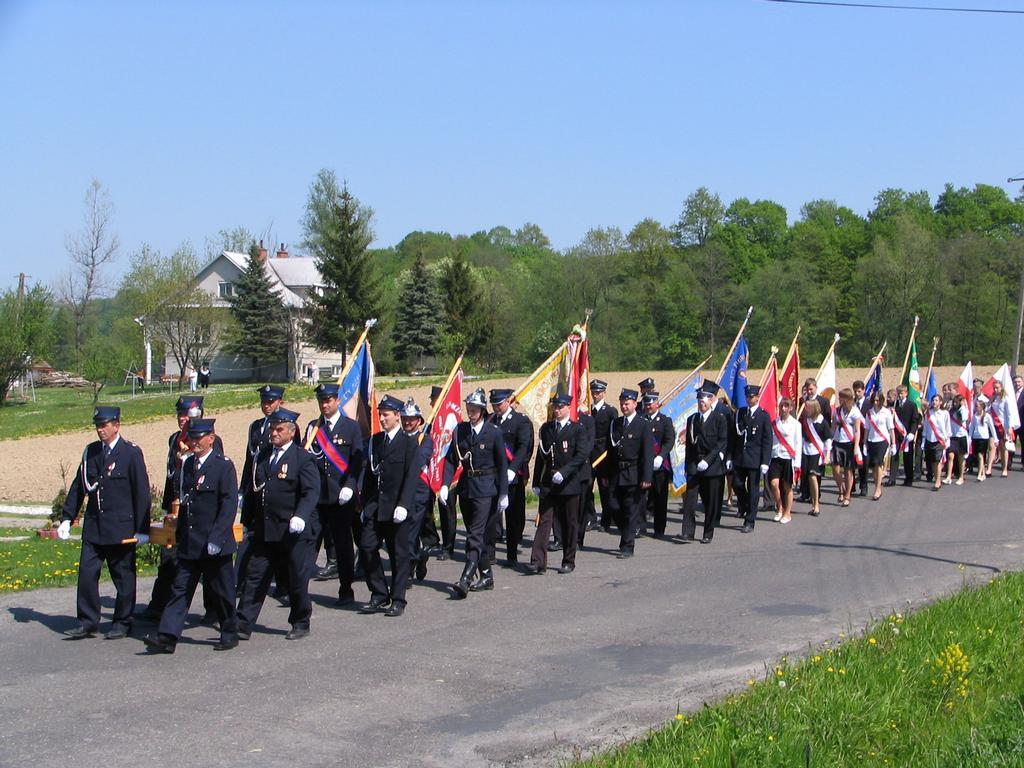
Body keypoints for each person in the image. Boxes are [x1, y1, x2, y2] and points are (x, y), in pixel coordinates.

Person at [143, 419, 239, 653]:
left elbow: (228, 505)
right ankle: (167, 636)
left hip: (214, 543)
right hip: (190, 541)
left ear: (211, 439)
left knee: (222, 591)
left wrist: (217, 538)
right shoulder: (187, 466)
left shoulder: (223, 466)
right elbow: (186, 503)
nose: (194, 442)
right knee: (180, 589)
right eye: (191, 438)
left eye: (198, 438)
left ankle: (229, 632)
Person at [58, 406, 151, 639]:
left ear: (116, 425)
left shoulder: (130, 453)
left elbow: (141, 492)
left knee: (123, 577)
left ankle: (123, 621)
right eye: (98, 426)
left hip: (121, 527)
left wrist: (142, 529)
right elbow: (79, 486)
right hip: (94, 526)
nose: (100, 430)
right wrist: (67, 517)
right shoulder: (91, 452)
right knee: (87, 574)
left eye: (104, 425)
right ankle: (87, 621)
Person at [237, 407, 320, 640]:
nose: (274, 433)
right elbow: (254, 491)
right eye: (272, 428)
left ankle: (300, 621)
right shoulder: (262, 456)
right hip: (265, 529)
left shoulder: (302, 458)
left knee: (295, 578)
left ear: (292, 432)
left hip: (292, 532)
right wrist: (247, 521)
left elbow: (311, 492)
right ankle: (242, 623)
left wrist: (301, 515)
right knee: (255, 576)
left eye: (279, 429)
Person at [144, 396, 223, 621]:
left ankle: (214, 609)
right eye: (180, 415)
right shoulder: (174, 439)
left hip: (198, 509)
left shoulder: (210, 441)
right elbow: (172, 475)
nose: (182, 419)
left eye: (187, 415)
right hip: (175, 506)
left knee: (206, 563)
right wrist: (168, 505)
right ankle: (159, 604)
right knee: (168, 557)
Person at [441, 388, 509, 598]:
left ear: (482, 410)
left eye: (474, 410)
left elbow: (502, 464)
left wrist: (503, 493)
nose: (470, 413)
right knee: (475, 533)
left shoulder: (493, 432)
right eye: (468, 409)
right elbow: (451, 460)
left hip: (486, 488)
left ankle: (466, 578)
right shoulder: (460, 431)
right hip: (466, 488)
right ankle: (487, 575)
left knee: (474, 535)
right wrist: (444, 484)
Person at [357, 396, 422, 617]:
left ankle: (398, 598)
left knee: (398, 555)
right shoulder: (375, 441)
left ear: (397, 416)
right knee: (366, 547)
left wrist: (403, 505)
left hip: (396, 508)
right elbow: (369, 475)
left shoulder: (409, 443)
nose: (382, 418)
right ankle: (379, 592)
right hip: (375, 506)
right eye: (380, 414)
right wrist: (364, 505)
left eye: (386, 414)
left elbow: (411, 477)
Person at [304, 383, 364, 606]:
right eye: (322, 401)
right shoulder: (313, 428)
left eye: (329, 400)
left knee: (343, 544)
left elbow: (357, 460)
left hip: (340, 497)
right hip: (317, 498)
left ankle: (346, 588)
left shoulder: (351, 427)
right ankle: (299, 590)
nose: (325, 405)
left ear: (337, 401)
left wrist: (350, 485)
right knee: (309, 543)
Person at [528, 394, 589, 574]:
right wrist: (536, 481)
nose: (557, 410)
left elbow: (581, 455)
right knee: (544, 521)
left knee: (570, 522)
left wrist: (565, 472)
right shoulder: (547, 428)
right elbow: (541, 456)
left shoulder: (577, 429)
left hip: (568, 482)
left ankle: (568, 560)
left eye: (560, 407)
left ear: (568, 408)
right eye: (555, 407)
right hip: (549, 482)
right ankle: (537, 561)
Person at [488, 389, 533, 565]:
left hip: (512, 474)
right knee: (491, 517)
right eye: (494, 404)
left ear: (508, 401)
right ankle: (490, 554)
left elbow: (523, 447)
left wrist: (513, 468)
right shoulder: (490, 420)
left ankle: (512, 554)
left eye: (499, 404)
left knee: (513, 516)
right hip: (493, 474)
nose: (496, 407)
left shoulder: (520, 421)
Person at [681, 380, 730, 544]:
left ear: (711, 401)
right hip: (695, 464)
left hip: (712, 466)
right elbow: (689, 445)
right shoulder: (692, 419)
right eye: (700, 399)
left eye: (705, 399)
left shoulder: (719, 419)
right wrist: (687, 467)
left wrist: (708, 461)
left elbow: (721, 443)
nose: (702, 402)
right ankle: (687, 531)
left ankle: (708, 532)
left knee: (710, 501)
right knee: (690, 499)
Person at [607, 388, 653, 557]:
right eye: (622, 403)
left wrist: (647, 477)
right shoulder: (616, 424)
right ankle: (626, 531)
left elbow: (647, 453)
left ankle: (627, 546)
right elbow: (610, 450)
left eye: (627, 403)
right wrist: (606, 474)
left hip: (634, 473)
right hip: (616, 473)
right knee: (613, 506)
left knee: (631, 510)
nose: (624, 407)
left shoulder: (643, 425)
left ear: (634, 404)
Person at [400, 398, 434, 583]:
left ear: (419, 420)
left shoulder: (425, 440)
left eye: (411, 419)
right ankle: (419, 556)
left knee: (411, 531)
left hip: (418, 492)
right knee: (401, 532)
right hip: (399, 490)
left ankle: (409, 569)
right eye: (404, 418)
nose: (407, 422)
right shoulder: (397, 438)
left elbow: (421, 459)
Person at [731, 384, 773, 534]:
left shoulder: (763, 415)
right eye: (747, 396)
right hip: (740, 457)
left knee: (753, 490)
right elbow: (734, 436)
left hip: (755, 458)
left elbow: (767, 440)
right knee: (737, 484)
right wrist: (730, 456)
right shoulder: (741, 413)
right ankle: (745, 505)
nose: (749, 399)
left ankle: (750, 521)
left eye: (751, 396)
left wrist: (765, 461)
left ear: (757, 397)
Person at [584, 379, 618, 532]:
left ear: (604, 393)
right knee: (587, 487)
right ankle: (590, 518)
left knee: (605, 489)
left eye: (598, 392)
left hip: (604, 454)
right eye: (593, 392)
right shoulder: (587, 411)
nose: (595, 395)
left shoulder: (610, 411)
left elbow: (614, 434)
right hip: (589, 454)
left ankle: (606, 520)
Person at [641, 391, 675, 538]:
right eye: (646, 404)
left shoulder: (665, 421)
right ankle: (640, 526)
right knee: (641, 498)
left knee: (660, 497)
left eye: (651, 404)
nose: (648, 406)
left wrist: (661, 456)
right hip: (644, 465)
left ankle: (659, 528)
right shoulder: (641, 420)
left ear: (657, 404)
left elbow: (669, 440)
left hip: (659, 465)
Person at [768, 398, 801, 525]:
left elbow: (798, 444)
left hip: (788, 458)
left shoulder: (796, 424)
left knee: (787, 487)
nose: (783, 409)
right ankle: (780, 507)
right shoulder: (774, 423)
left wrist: (797, 463)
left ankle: (787, 513)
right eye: (782, 406)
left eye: (786, 406)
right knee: (774, 484)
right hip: (776, 457)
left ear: (791, 408)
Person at [831, 388, 863, 507]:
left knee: (848, 470)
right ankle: (841, 489)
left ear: (847, 399)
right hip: (837, 442)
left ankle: (847, 495)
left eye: (841, 397)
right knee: (835, 468)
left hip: (849, 443)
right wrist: (828, 441)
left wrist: (856, 447)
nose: (839, 399)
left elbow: (857, 430)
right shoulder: (837, 411)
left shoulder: (855, 412)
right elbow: (833, 427)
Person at [799, 399, 830, 516]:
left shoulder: (823, 422)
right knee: (808, 478)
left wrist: (827, 455)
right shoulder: (805, 422)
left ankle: (816, 504)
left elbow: (827, 440)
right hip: (806, 452)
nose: (805, 410)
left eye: (807, 408)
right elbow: (802, 437)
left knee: (813, 477)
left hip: (817, 452)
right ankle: (813, 503)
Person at [863, 392, 896, 500]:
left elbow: (891, 429)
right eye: (874, 400)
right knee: (873, 466)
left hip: (883, 440)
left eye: (877, 400)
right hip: (871, 440)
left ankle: (877, 488)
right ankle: (877, 484)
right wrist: (864, 443)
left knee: (878, 463)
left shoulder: (886, 412)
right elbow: (867, 428)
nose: (875, 402)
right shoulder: (869, 413)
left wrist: (893, 444)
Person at [893, 385, 921, 486]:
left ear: (906, 393)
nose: (900, 395)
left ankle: (909, 479)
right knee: (894, 455)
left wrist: (912, 432)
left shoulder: (911, 405)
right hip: (896, 434)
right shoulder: (895, 405)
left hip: (907, 434)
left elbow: (915, 420)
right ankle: (892, 479)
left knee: (908, 457)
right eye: (898, 393)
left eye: (902, 393)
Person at [922, 393, 951, 492]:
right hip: (930, 439)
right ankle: (937, 479)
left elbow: (947, 427)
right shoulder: (928, 413)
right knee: (933, 462)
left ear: (940, 402)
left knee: (938, 461)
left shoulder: (945, 413)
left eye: (936, 400)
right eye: (933, 400)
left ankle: (938, 481)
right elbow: (926, 427)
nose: (934, 402)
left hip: (940, 440)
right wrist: (923, 440)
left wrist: (947, 439)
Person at [988, 380, 1014, 478]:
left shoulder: (1005, 399)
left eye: (997, 387)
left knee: (1003, 448)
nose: (995, 389)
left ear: (1001, 388)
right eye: (994, 388)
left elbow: (1009, 414)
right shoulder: (993, 399)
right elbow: (987, 411)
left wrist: (1010, 427)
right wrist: (989, 402)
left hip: (1003, 426)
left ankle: (1004, 469)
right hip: (993, 426)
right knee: (992, 446)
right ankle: (989, 468)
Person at [969, 398, 996, 481]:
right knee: (978, 456)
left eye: (977, 406)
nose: (976, 408)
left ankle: (979, 474)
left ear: (982, 407)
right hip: (975, 437)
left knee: (981, 455)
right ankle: (983, 474)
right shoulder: (975, 416)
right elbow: (972, 427)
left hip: (983, 438)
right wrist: (970, 437)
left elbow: (992, 428)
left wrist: (995, 439)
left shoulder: (987, 416)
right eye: (976, 406)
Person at [945, 394, 969, 486]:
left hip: (961, 436)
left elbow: (963, 418)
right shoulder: (951, 411)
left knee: (961, 457)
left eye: (957, 402)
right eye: (954, 402)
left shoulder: (963, 410)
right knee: (950, 456)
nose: (955, 404)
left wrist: (962, 407)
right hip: (953, 436)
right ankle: (948, 477)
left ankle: (961, 477)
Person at [852, 380, 869, 497]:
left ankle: (864, 486)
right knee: (851, 464)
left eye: (859, 391)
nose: (857, 394)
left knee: (863, 464)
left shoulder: (869, 404)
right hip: (852, 437)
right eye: (855, 392)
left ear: (863, 390)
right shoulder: (851, 404)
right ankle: (851, 485)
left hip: (864, 438)